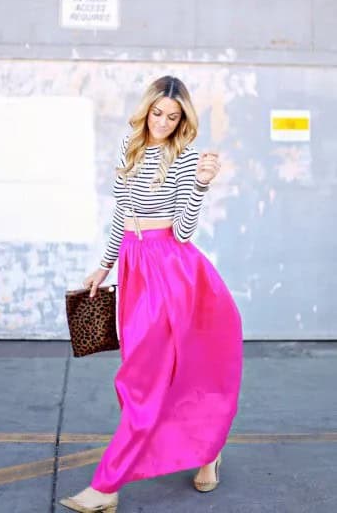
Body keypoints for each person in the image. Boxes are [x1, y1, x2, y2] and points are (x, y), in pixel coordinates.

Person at [60, 75, 243, 513]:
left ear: (183, 120)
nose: (163, 122)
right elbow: (121, 212)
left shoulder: (184, 156)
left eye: (173, 116)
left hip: (172, 271)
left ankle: (107, 486)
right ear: (147, 110)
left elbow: (182, 232)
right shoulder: (131, 143)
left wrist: (199, 183)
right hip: (133, 265)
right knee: (142, 374)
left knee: (145, 378)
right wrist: (104, 266)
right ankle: (207, 447)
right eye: (158, 113)